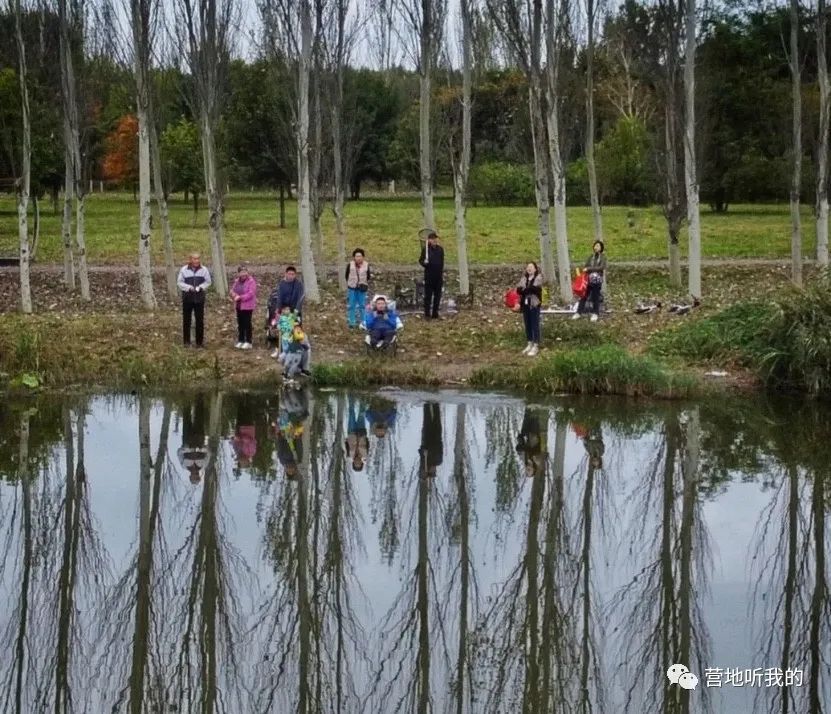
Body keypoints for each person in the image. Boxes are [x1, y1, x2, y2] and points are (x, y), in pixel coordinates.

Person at [177, 253, 212, 347]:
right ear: (190, 259)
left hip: (199, 299)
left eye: (198, 259)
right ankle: (186, 342)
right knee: (186, 320)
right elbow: (179, 282)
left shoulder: (204, 270)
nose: (196, 261)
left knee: (199, 321)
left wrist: (201, 287)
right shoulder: (184, 270)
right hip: (187, 298)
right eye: (194, 259)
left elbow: (208, 282)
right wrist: (188, 287)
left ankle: (199, 342)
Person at [177, 394, 208, 484]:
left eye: (194, 477)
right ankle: (199, 395)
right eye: (197, 477)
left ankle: (186, 396)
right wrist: (202, 449)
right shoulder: (204, 465)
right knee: (199, 417)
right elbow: (209, 452)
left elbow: (179, 452)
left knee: (186, 417)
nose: (196, 475)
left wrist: (186, 449)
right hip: (199, 439)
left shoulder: (184, 466)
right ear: (199, 476)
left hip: (187, 439)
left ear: (190, 476)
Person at [573, 240, 607, 322]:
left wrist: (589, 269)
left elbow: (601, 267)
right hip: (588, 279)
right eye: (595, 245)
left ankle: (595, 313)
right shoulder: (591, 257)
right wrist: (587, 269)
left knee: (595, 297)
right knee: (584, 296)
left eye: (598, 246)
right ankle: (578, 312)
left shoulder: (603, 257)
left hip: (597, 280)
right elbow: (585, 266)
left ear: (601, 248)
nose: (596, 247)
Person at [517, 262, 543, 357]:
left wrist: (526, 289)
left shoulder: (538, 278)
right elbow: (519, 290)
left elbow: (535, 289)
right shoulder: (524, 278)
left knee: (534, 324)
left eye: (531, 267)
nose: (529, 268)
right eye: (528, 267)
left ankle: (536, 345)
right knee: (527, 324)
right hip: (525, 304)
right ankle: (529, 343)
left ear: (535, 269)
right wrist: (526, 290)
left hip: (534, 304)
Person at [229, 265, 257, 349]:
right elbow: (232, 290)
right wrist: (234, 295)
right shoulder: (237, 281)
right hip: (238, 306)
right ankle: (241, 340)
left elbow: (251, 293)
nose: (244, 274)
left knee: (247, 323)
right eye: (242, 272)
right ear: (239, 273)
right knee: (240, 323)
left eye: (245, 272)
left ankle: (248, 341)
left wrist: (240, 297)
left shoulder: (251, 281)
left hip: (247, 306)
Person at [418, 231, 444, 319]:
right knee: (428, 296)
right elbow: (420, 260)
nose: (434, 240)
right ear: (429, 240)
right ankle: (427, 314)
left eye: (435, 238)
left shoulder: (440, 249)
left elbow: (442, 262)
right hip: (429, 276)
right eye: (432, 239)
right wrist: (425, 263)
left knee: (437, 296)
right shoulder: (426, 250)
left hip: (438, 277)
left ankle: (435, 313)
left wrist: (441, 274)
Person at [516, 407, 548, 477]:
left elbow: (518, 448)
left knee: (527, 412)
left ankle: (528, 403)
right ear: (534, 469)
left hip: (525, 433)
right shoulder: (538, 461)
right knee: (535, 414)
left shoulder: (524, 459)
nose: (527, 470)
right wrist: (528, 450)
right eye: (529, 471)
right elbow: (538, 450)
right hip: (534, 433)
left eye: (526, 471)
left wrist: (521, 444)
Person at [345, 248, 371, 328]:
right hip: (352, 288)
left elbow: (368, 276)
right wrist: (352, 283)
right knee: (351, 305)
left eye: (360, 256)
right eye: (357, 256)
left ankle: (363, 322)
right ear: (354, 257)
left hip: (362, 288)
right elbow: (346, 275)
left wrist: (362, 282)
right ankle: (352, 322)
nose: (358, 258)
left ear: (363, 257)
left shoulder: (366, 265)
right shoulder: (350, 265)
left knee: (362, 305)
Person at [419, 402, 444, 478]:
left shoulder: (425, 462)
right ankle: (436, 405)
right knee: (437, 420)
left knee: (427, 420)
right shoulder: (439, 461)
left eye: (432, 471)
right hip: (437, 438)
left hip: (427, 439)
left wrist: (424, 451)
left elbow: (420, 451)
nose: (433, 469)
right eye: (434, 471)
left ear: (429, 470)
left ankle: (426, 405)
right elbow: (440, 450)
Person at [345, 396, 369, 472]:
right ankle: (363, 396)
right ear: (362, 463)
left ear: (353, 463)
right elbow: (368, 442)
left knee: (351, 413)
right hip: (361, 431)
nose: (357, 462)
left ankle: (351, 395)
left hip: (351, 432)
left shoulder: (348, 454)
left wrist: (347, 439)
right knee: (362, 413)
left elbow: (345, 443)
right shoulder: (365, 454)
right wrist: (364, 435)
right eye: (359, 463)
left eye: (356, 463)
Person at [232, 399, 257, 469]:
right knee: (248, 409)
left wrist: (234, 439)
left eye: (239, 462)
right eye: (242, 462)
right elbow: (251, 441)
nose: (240, 460)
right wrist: (241, 438)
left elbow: (234, 443)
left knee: (240, 410)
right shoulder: (251, 452)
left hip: (239, 428)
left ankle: (240, 397)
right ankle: (248, 396)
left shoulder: (237, 452)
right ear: (247, 461)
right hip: (248, 427)